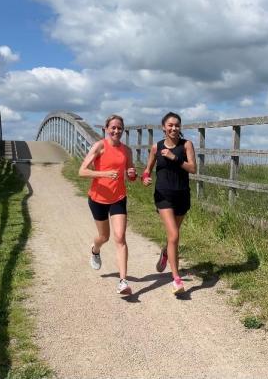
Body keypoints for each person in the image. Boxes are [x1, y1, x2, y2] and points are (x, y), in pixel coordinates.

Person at [79, 114, 137, 294]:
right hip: (98, 198)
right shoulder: (99, 146)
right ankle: (95, 250)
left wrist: (132, 174)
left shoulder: (127, 150)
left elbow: (129, 174)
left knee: (120, 238)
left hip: (118, 197)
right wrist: (103, 174)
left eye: (119, 128)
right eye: (113, 127)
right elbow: (82, 171)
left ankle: (123, 281)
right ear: (106, 129)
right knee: (104, 237)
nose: (116, 131)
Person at [142, 112, 196, 294]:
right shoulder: (156, 148)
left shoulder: (186, 145)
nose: (174, 128)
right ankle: (177, 279)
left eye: (177, 125)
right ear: (163, 127)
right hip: (163, 195)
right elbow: (147, 170)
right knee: (173, 235)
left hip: (182, 195)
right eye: (170, 125)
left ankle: (166, 252)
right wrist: (146, 178)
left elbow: (193, 168)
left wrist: (175, 158)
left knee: (174, 236)